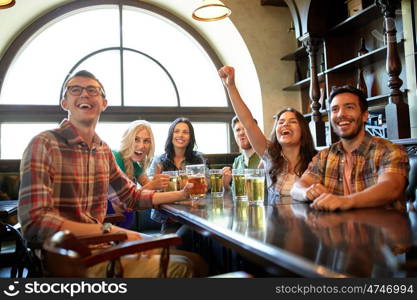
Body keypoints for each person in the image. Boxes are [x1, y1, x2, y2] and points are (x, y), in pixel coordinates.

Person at [18, 70, 195, 277]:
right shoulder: (44, 143)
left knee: (196, 259)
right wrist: (111, 231)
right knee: (183, 265)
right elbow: (34, 222)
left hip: (103, 246)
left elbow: (132, 197)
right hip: (69, 262)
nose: (84, 94)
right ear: (64, 103)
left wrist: (182, 194)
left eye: (92, 90)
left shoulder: (102, 150)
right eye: (75, 89)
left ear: (104, 103)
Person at [290, 85, 409, 211]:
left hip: (381, 228)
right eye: (335, 109)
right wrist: (306, 192)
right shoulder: (324, 156)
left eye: (349, 107)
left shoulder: (390, 150)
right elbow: (297, 187)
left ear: (365, 115)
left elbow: (392, 187)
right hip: (337, 228)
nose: (341, 114)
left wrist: (346, 201)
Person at [218, 66, 317, 201]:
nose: (285, 124)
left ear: (303, 130)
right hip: (274, 218)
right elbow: (248, 123)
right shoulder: (270, 154)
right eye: (281, 122)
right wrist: (231, 86)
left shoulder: (316, 160)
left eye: (292, 121)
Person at [107, 120, 169, 228]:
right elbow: (120, 205)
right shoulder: (115, 158)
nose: (141, 146)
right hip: (111, 230)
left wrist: (158, 183)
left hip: (122, 229)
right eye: (136, 139)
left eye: (146, 141)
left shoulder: (134, 165)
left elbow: (149, 187)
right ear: (127, 139)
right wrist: (153, 185)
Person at [222, 116, 262, 191]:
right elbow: (236, 195)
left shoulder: (265, 157)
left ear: (256, 131)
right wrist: (226, 185)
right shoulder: (237, 161)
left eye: (245, 129)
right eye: (237, 130)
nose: (241, 133)